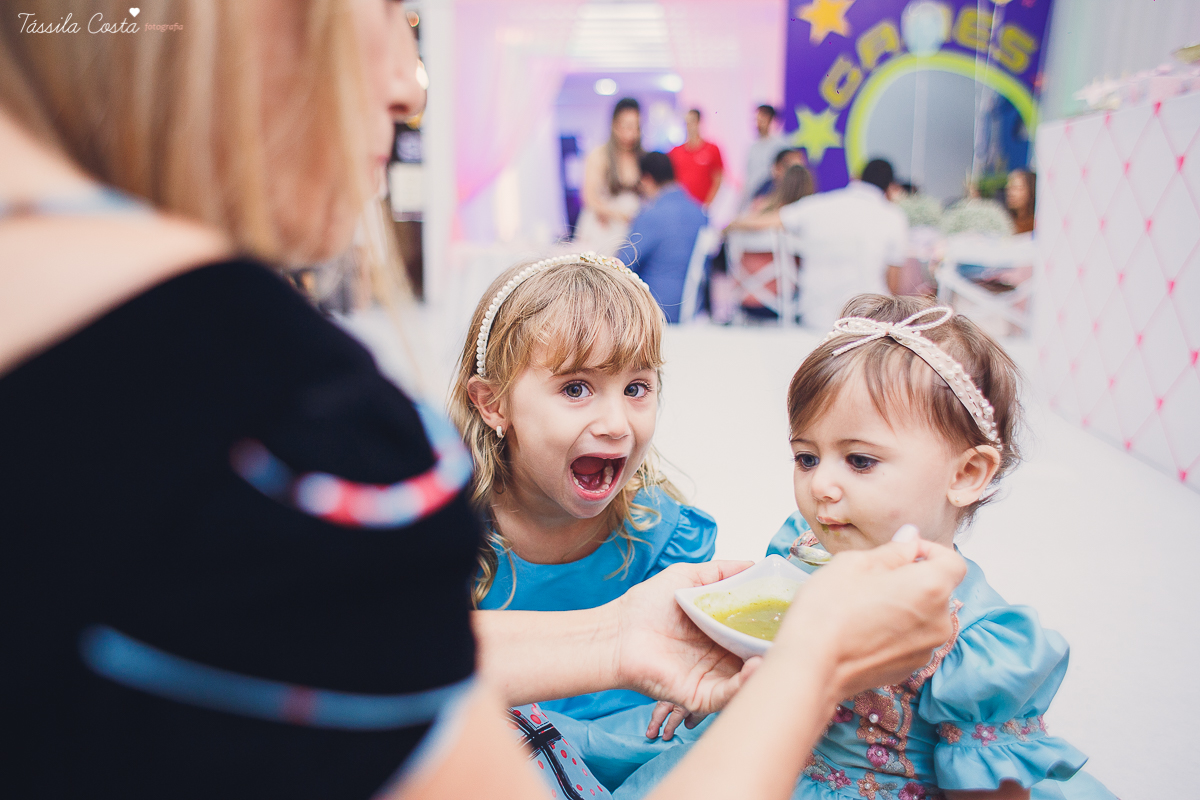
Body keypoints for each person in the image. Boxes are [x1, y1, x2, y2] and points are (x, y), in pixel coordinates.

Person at [0, 2, 969, 798]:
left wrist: (616, 634)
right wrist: (813, 662)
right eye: (391, 13)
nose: (412, 85)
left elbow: (270, 640)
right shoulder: (296, 440)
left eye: (638, 385)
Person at [624, 295, 1114, 800]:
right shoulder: (803, 549)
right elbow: (765, 650)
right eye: (807, 458)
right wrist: (719, 680)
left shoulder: (973, 643)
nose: (821, 486)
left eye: (859, 461)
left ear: (966, 474)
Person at [448, 252, 717, 790]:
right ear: (493, 403)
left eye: (636, 388)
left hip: (645, 759)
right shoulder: (448, 543)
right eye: (576, 388)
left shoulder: (666, 537)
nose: (617, 424)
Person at [737, 158, 908, 330]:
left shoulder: (817, 204)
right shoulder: (894, 217)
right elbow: (893, 286)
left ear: (857, 177)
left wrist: (730, 224)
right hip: (868, 323)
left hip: (814, 319)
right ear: (890, 188)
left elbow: (763, 222)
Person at [615, 152, 708, 323]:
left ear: (647, 180)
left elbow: (621, 266)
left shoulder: (650, 216)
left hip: (655, 309)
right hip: (692, 308)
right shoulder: (700, 214)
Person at [576, 97, 644, 256]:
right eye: (626, 126)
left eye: (636, 127)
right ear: (615, 125)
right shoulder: (599, 155)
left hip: (632, 232)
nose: (631, 133)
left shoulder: (641, 157)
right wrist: (617, 214)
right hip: (603, 230)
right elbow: (589, 198)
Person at [669, 109, 724, 208]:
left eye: (692, 122)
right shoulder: (675, 152)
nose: (689, 126)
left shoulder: (712, 149)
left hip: (703, 206)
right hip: (681, 206)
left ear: (699, 122)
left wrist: (707, 205)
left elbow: (718, 179)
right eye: (687, 123)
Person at [743, 104, 788, 209]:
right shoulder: (752, 148)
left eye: (762, 119)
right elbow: (748, 178)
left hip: (773, 198)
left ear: (771, 120)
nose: (758, 123)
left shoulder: (781, 144)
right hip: (754, 199)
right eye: (757, 119)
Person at [1006, 168, 1036, 234]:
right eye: (1009, 188)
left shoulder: (1037, 224)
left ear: (1030, 191)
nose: (1011, 193)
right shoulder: (1006, 221)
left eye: (1017, 188)